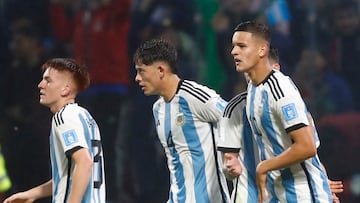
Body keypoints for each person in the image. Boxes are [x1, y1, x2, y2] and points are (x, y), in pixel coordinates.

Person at [231, 20, 333, 202]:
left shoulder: (280, 89)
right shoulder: (254, 89)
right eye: (233, 46)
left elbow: (307, 146)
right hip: (278, 193)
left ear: (262, 50)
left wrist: (264, 167)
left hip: (304, 195)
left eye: (241, 46)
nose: (234, 52)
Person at [133, 39, 230, 203]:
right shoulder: (158, 109)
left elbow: (234, 117)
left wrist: (234, 157)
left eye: (141, 71)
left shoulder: (194, 96)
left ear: (161, 70)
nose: (137, 78)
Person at [3, 58, 106, 203]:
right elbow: (67, 177)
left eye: (48, 80)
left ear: (65, 89)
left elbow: (84, 163)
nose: (40, 85)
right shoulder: (85, 117)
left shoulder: (64, 117)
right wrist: (31, 194)